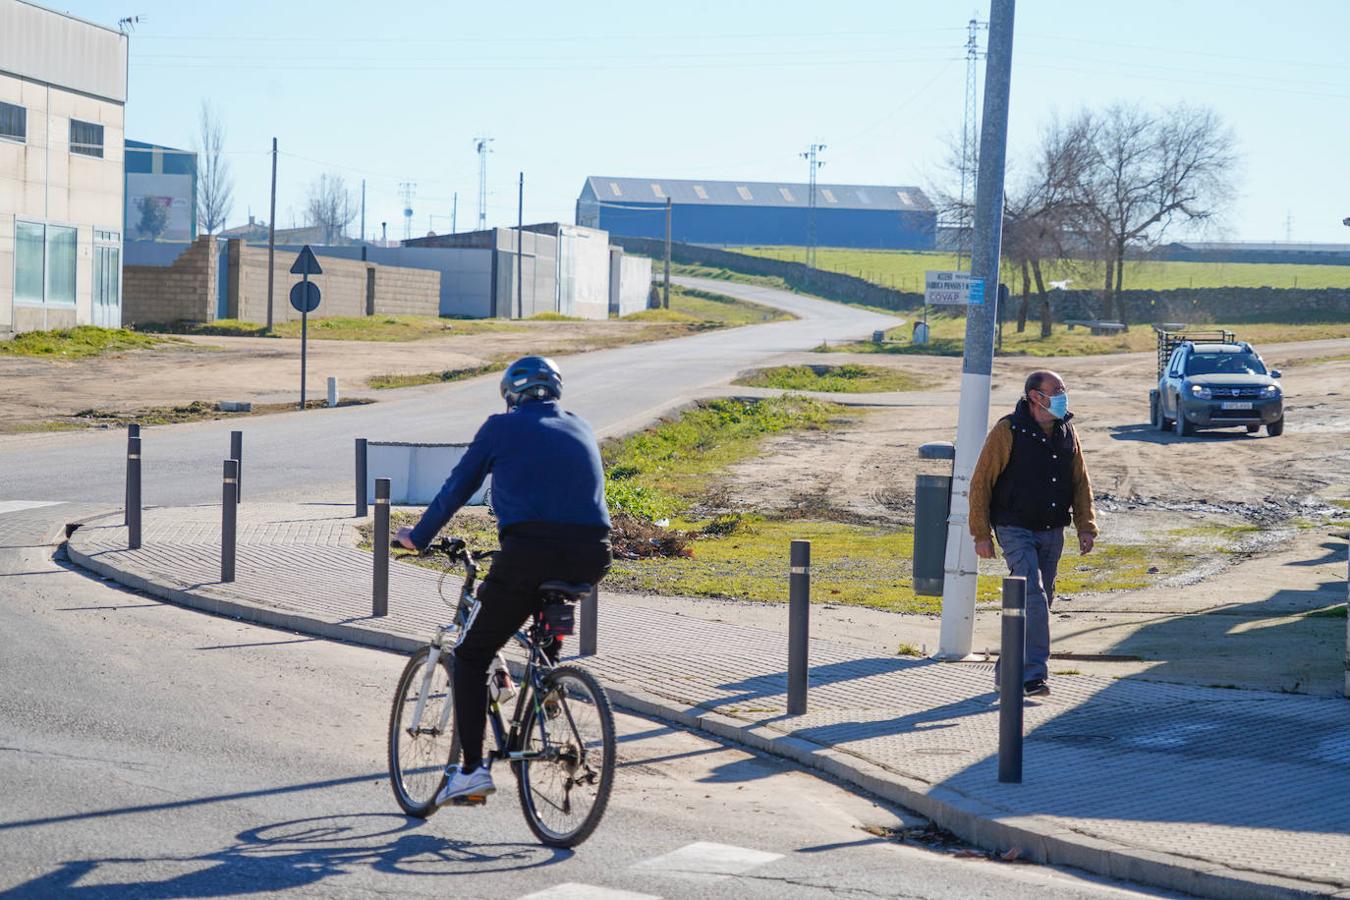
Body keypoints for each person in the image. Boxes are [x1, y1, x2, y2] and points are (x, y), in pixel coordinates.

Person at [395, 356, 611, 805]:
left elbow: (457, 487)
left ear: (511, 395)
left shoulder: (499, 427)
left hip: (530, 551)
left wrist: (417, 536)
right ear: (555, 390)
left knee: (472, 655)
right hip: (592, 552)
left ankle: (471, 773)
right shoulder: (582, 426)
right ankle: (547, 688)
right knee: (542, 608)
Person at [967, 370, 1098, 697]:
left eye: (1063, 389)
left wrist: (1086, 526)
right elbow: (980, 483)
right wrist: (980, 533)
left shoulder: (1067, 431)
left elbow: (1080, 481)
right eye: (1056, 390)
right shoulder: (1008, 430)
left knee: (1039, 601)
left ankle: (1006, 673)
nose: (1063, 395)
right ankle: (1033, 675)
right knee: (1033, 595)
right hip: (1014, 526)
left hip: (1052, 528)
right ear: (1035, 397)